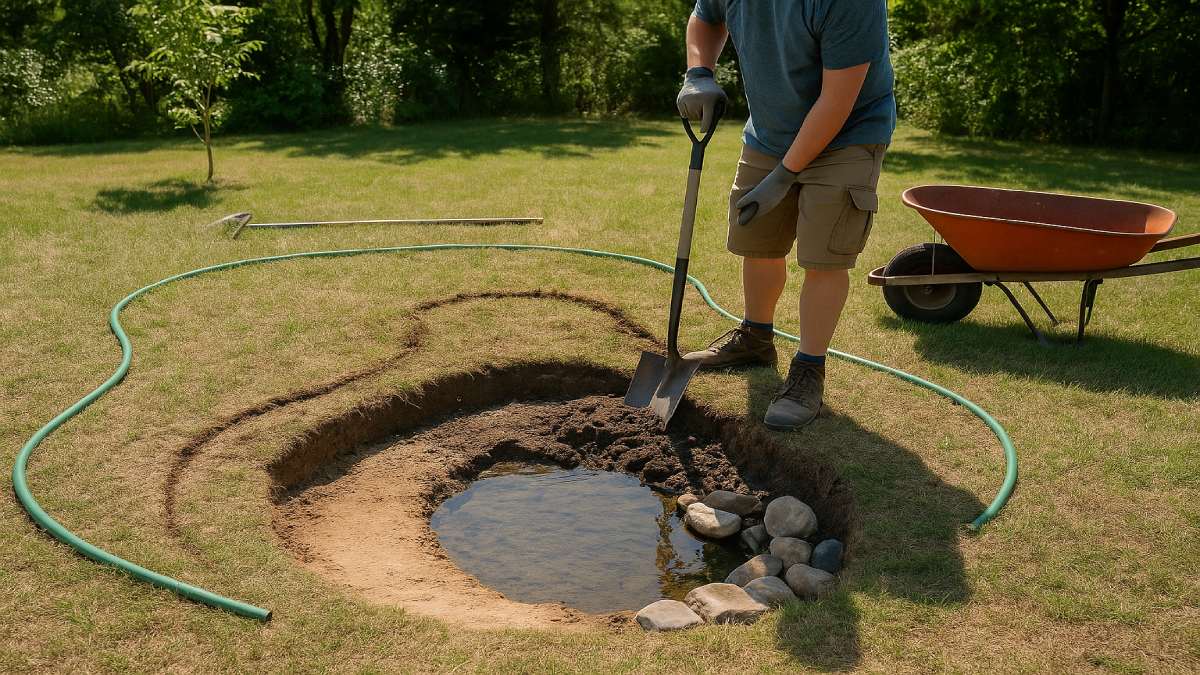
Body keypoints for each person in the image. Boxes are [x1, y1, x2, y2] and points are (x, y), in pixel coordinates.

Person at [676, 0, 896, 431]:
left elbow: (837, 101)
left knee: (823, 256)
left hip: (847, 136)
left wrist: (784, 177)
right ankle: (756, 338)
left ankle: (809, 369)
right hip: (769, 133)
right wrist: (698, 72)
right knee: (755, 239)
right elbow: (705, 17)